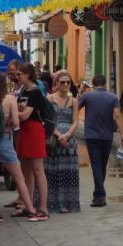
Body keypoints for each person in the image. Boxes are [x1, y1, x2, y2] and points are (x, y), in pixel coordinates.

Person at [0, 72, 37, 221]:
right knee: (18, 177)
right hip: (5, 141)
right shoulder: (10, 99)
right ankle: (30, 209)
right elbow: (16, 123)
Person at [77, 74, 123, 207]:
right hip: (107, 137)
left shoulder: (87, 96)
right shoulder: (113, 97)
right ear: (105, 84)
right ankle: (98, 195)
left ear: (93, 84)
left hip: (91, 136)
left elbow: (75, 107)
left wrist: (80, 92)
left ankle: (99, 195)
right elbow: (117, 115)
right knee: (102, 165)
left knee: (97, 165)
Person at [13, 64, 52, 220]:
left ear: (28, 74)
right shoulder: (24, 91)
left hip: (34, 130)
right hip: (25, 130)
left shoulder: (35, 92)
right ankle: (28, 205)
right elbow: (21, 113)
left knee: (37, 169)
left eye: (19, 74)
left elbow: (24, 115)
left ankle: (43, 208)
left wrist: (11, 109)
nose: (17, 77)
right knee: (26, 170)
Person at [44, 69, 81, 213]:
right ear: (57, 84)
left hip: (69, 141)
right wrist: (59, 135)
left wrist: (67, 135)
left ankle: (67, 203)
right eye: (62, 82)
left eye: (68, 82)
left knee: (68, 172)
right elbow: (47, 120)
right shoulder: (49, 99)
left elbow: (76, 121)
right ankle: (52, 202)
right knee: (52, 172)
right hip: (53, 140)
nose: (65, 85)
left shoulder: (74, 101)